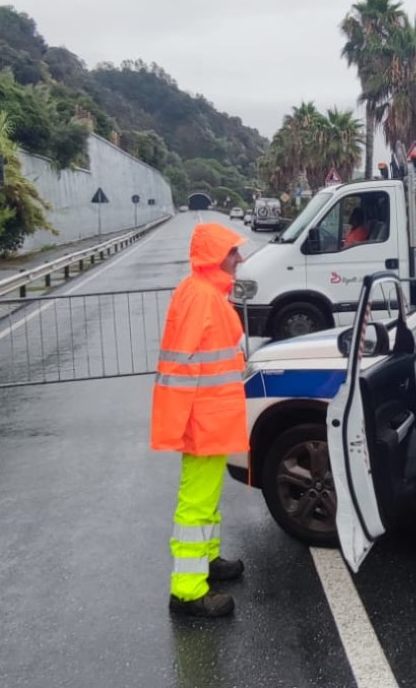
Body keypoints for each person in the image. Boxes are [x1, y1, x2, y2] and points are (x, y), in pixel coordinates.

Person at [152, 223, 250, 618]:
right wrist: (184, 422)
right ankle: (188, 592)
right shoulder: (201, 298)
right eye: (232, 252)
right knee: (195, 505)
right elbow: (184, 366)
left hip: (212, 416)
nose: (239, 258)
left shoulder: (206, 294)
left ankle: (208, 562)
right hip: (204, 418)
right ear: (214, 256)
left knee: (207, 500)